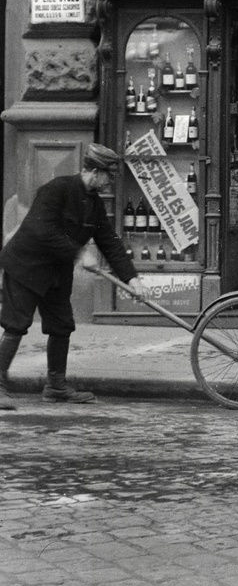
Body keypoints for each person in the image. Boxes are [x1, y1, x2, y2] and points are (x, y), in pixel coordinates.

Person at [0, 144, 145, 406]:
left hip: (56, 272)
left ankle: (56, 387)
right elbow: (41, 230)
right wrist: (79, 254)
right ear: (95, 171)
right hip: (26, 267)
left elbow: (109, 242)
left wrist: (131, 279)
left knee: (61, 325)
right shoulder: (57, 189)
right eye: (109, 177)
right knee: (16, 324)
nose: (110, 182)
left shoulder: (94, 205)